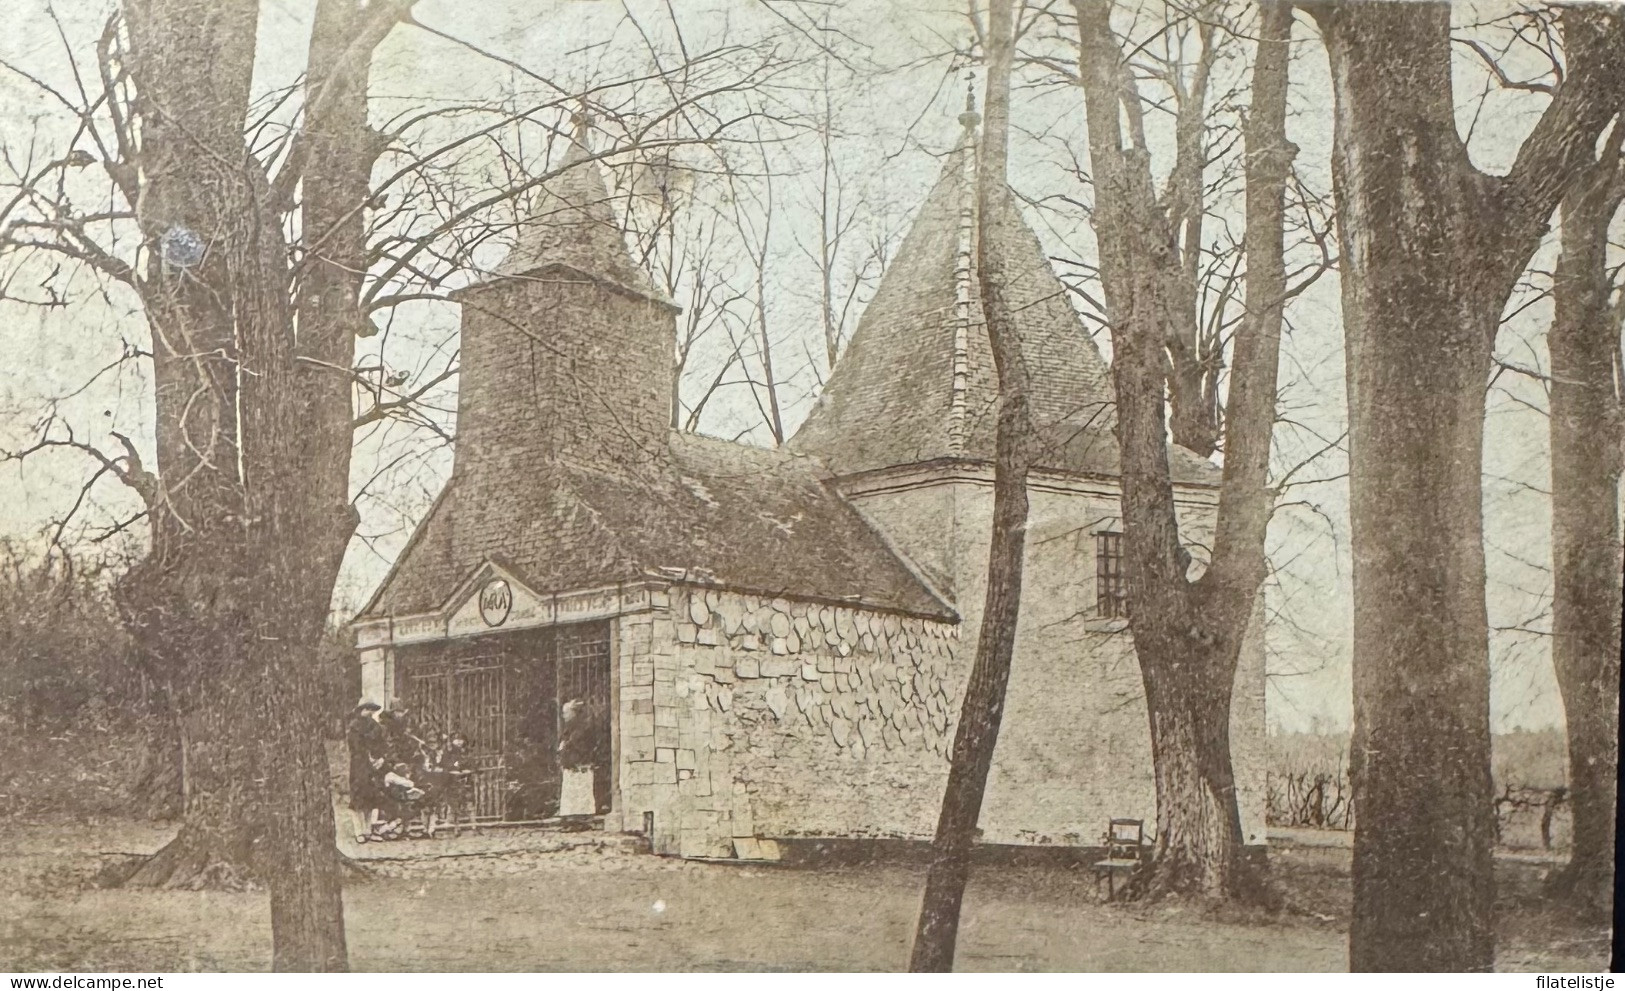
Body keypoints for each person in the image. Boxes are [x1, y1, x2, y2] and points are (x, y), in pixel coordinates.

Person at [345, 701, 386, 843]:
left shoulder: (376, 727)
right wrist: (367, 754)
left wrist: (380, 758)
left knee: (371, 798)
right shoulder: (354, 727)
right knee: (358, 798)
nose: (369, 712)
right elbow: (355, 748)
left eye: (372, 710)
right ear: (360, 710)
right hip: (359, 765)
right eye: (367, 709)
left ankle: (368, 830)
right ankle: (358, 831)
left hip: (373, 766)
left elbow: (381, 744)